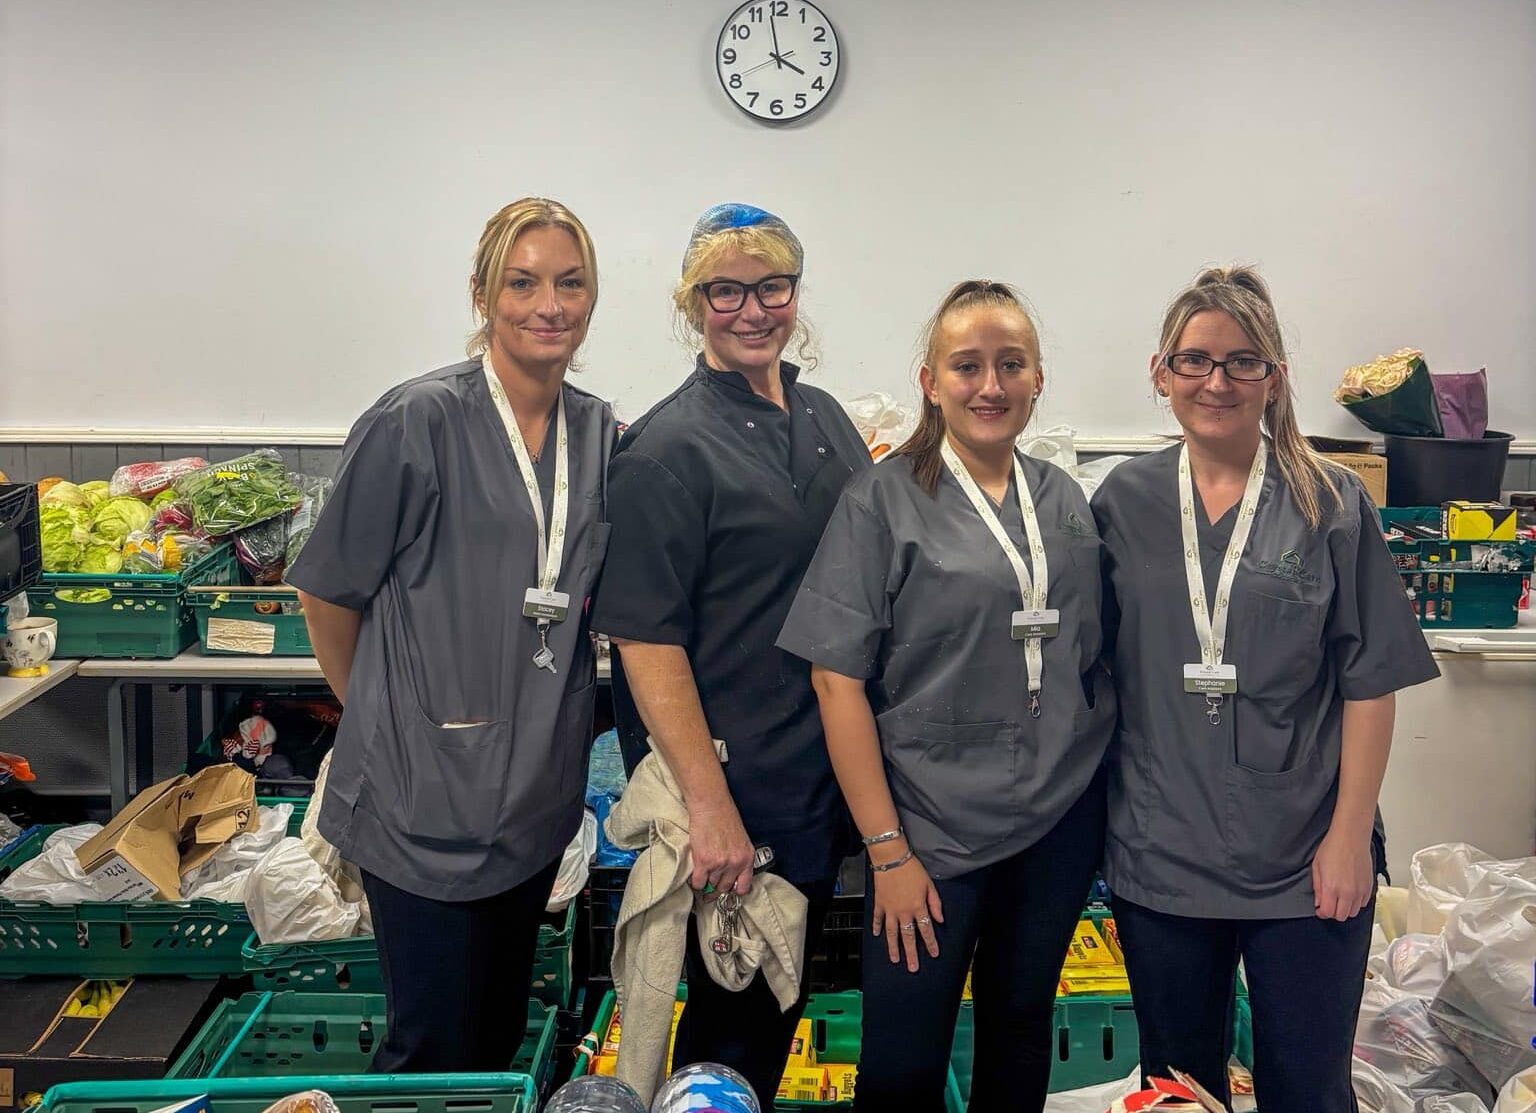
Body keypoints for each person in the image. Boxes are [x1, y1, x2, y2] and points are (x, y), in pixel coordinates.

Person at [1090, 266, 1439, 1111]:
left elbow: (1371, 683)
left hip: (1307, 859)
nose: (1218, 381)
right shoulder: (1120, 502)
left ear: (1275, 378)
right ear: (1161, 372)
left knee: (1307, 1088)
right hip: (1162, 856)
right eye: (1197, 360)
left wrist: (1350, 840)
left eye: (1244, 361)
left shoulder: (1331, 501)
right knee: (1176, 1090)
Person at [288, 197, 616, 1073]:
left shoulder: (599, 431)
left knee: (497, 1036)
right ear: (482, 294)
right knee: (430, 1047)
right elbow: (327, 590)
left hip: (532, 796)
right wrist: (384, 714)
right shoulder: (417, 420)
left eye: (570, 281)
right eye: (523, 281)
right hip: (419, 796)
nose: (549, 304)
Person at [777, 280, 1116, 1112]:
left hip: (1057, 818)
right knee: (901, 1062)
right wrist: (887, 851)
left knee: (1021, 1026)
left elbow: (1089, 656)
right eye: (967, 366)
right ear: (931, 381)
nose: (990, 385)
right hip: (929, 836)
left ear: (1038, 379)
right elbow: (835, 678)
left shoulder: (1065, 500)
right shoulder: (881, 501)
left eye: (1011, 365)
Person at [589, 203, 871, 1107]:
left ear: (796, 293)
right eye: (726, 290)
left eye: (771, 287)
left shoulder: (825, 417)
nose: (752, 309)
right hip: (735, 793)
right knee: (727, 1038)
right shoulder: (665, 449)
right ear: (692, 302)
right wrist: (710, 810)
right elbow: (646, 639)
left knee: (771, 1021)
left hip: (815, 775)